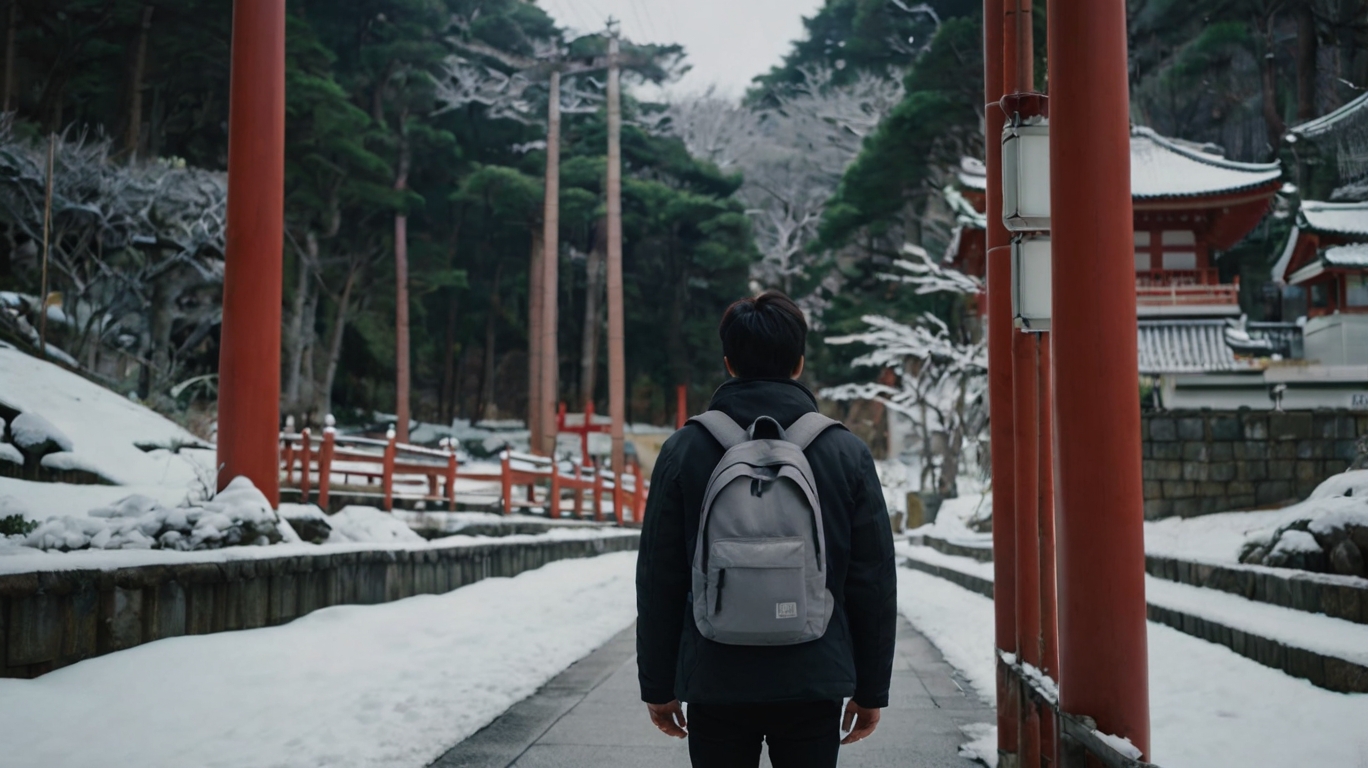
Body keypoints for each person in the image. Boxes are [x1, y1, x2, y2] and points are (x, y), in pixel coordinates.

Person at [636, 290, 897, 768]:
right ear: (799, 363)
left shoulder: (685, 449)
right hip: (814, 676)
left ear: (729, 363)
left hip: (715, 674)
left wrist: (657, 684)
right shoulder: (845, 452)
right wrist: (871, 689)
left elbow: (659, 576)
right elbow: (872, 579)